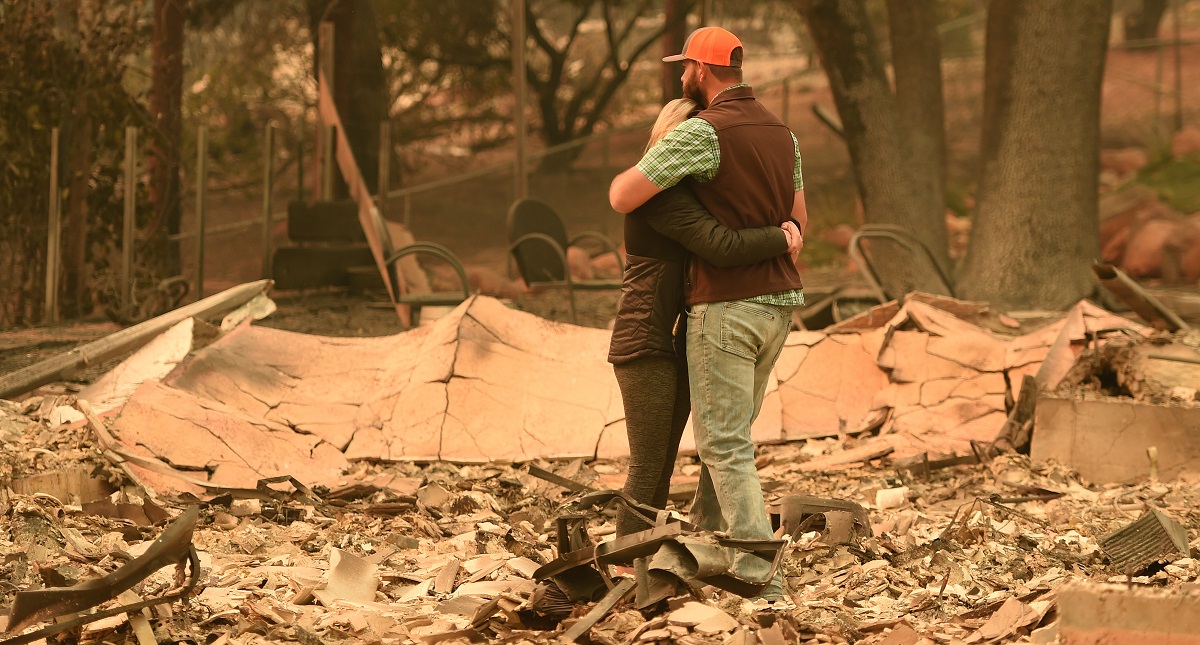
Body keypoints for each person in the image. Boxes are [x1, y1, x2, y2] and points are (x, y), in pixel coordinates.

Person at [608, 26, 807, 601]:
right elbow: (798, 219)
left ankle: (754, 566)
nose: (681, 75)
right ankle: (704, 538)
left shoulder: (703, 134)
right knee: (731, 436)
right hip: (779, 304)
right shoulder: (784, 134)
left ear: (702, 68)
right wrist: (783, 234)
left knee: (721, 443)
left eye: (686, 66)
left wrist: (658, 162)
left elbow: (624, 195)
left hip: (726, 307)